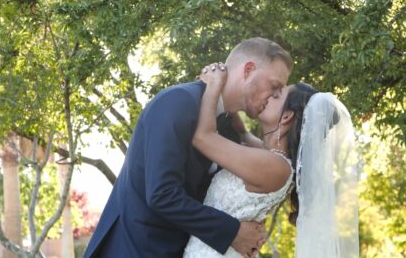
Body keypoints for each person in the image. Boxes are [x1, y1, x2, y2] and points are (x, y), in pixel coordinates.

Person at [83, 37, 293, 258]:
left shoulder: (229, 129)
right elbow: (162, 194)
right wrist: (232, 232)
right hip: (134, 249)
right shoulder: (177, 102)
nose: (275, 95)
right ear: (248, 70)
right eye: (274, 85)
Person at [184, 65, 359, 257]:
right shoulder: (271, 157)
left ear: (286, 116)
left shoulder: (275, 166)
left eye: (275, 96)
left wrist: (214, 85)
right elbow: (245, 136)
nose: (267, 95)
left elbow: (203, 138)